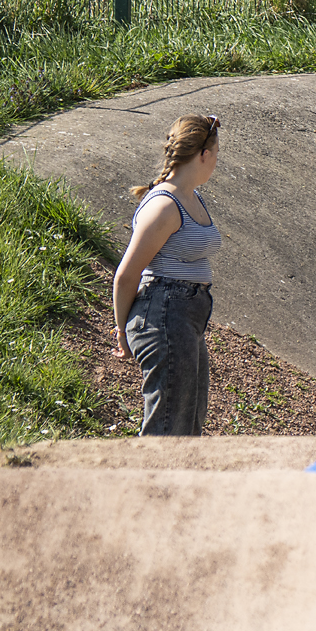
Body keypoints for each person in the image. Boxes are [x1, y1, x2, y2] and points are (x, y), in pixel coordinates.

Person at [112, 114, 224, 435]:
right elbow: (126, 275)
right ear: (203, 155)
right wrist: (121, 331)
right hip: (163, 314)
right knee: (168, 429)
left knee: (187, 426)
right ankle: (146, 486)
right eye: (216, 154)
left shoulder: (192, 197)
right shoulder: (164, 206)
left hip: (185, 317)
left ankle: (173, 486)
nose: (216, 161)